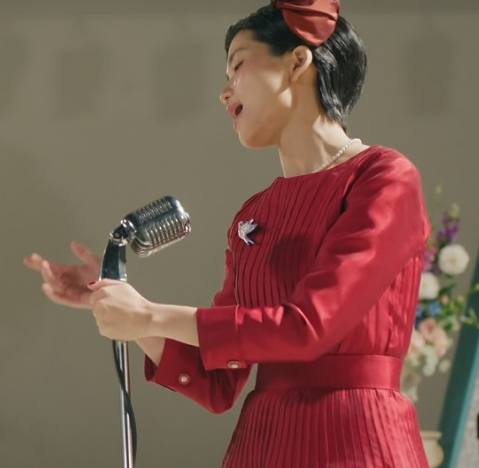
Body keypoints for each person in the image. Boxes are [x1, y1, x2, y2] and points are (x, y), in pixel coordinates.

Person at [24, 1, 431, 467]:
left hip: (358, 439)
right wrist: (122, 304)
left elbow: (309, 327)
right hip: (263, 443)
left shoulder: (383, 177)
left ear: (298, 61)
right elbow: (215, 381)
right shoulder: (253, 215)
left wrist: (150, 315)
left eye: (238, 65)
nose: (224, 92)